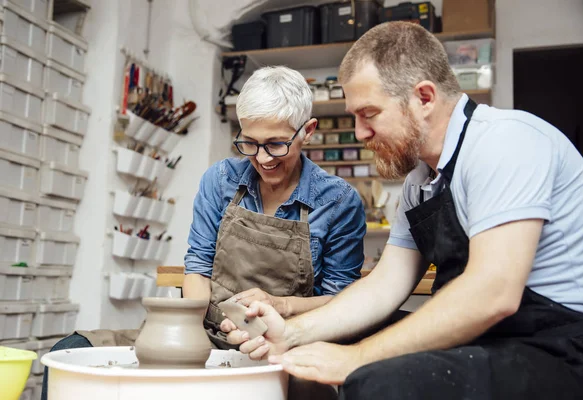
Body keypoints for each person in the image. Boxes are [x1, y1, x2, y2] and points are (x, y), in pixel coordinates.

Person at [223, 21, 583, 399]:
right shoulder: (420, 181)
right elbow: (385, 286)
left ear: (424, 97)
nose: (359, 133)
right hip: (495, 339)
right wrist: (291, 333)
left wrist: (354, 359)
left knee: (380, 380)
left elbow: (493, 294)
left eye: (369, 113)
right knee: (345, 335)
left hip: (569, 347)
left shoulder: (506, 141)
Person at [42, 66, 366, 400]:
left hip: (285, 344)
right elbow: (197, 266)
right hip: (207, 333)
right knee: (70, 350)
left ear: (307, 131)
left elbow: (340, 302)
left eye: (276, 144)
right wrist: (188, 334)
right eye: (250, 143)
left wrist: (281, 305)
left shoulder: (338, 201)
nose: (263, 158)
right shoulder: (221, 179)